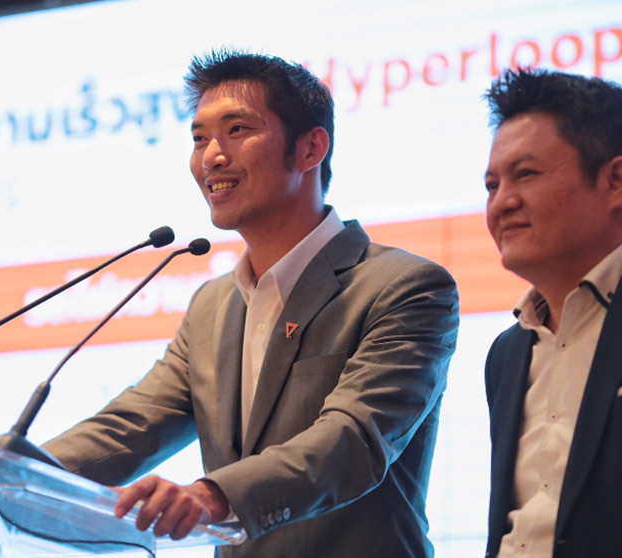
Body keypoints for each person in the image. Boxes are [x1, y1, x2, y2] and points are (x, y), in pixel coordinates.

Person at [43, 49, 459, 558]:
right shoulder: (212, 304)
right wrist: (3, 478)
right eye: (199, 138)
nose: (211, 157)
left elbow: (351, 439)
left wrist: (212, 495)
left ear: (310, 148)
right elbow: (131, 427)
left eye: (237, 130)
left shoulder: (404, 286)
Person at [482, 68, 622, 558]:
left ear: (615, 181)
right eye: (491, 185)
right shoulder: (505, 354)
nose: (502, 203)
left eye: (525, 174)